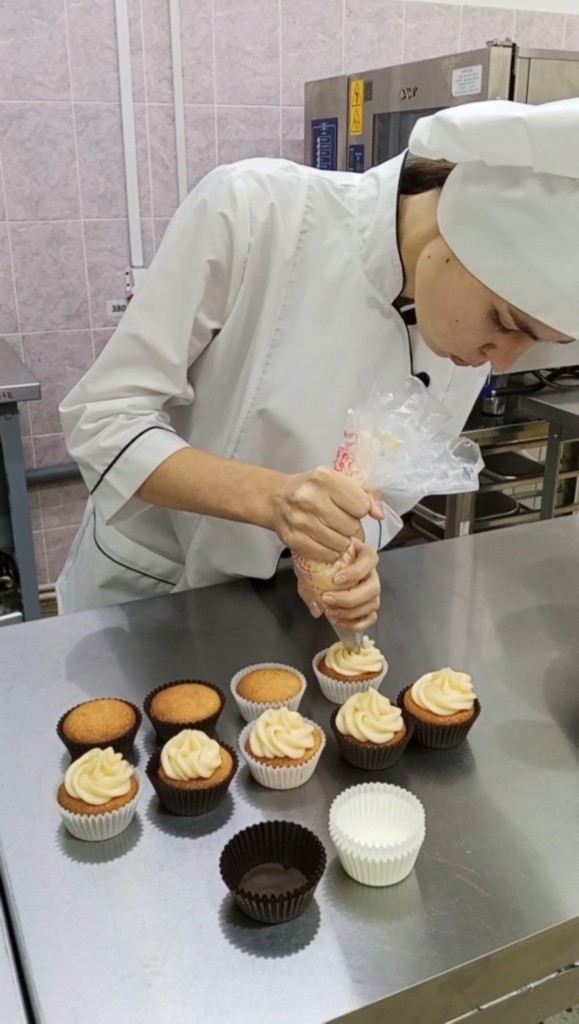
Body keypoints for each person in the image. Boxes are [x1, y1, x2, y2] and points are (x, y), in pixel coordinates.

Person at [58, 98, 575, 618]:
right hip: (146, 595)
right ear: (453, 232)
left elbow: (383, 492)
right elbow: (105, 419)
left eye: (538, 341)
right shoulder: (257, 211)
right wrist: (274, 498)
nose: (501, 361)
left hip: (288, 608)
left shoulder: (465, 339)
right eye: (504, 320)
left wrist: (346, 550)